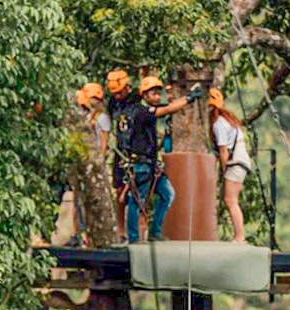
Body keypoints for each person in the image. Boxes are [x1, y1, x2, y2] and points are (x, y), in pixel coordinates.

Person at [123, 76, 203, 243]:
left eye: (159, 93)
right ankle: (133, 238)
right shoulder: (142, 113)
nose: (157, 97)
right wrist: (189, 99)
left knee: (168, 194)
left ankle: (154, 232)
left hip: (151, 165)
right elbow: (167, 110)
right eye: (153, 94)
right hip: (142, 165)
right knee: (136, 201)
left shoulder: (148, 110)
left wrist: (187, 96)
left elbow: (168, 106)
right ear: (144, 95)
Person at [209, 88, 252, 243]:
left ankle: (239, 236)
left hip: (236, 163)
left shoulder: (218, 124)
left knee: (230, 200)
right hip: (241, 161)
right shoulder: (228, 119)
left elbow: (223, 151)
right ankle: (239, 235)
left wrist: (223, 168)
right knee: (231, 200)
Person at [106, 69, 140, 240]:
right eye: (115, 93)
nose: (117, 95)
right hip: (121, 151)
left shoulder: (137, 99)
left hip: (137, 151)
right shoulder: (113, 103)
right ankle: (120, 230)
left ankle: (138, 229)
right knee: (119, 190)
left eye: (120, 92)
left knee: (137, 191)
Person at [77, 82, 111, 155]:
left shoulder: (102, 117)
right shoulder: (88, 115)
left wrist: (102, 158)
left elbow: (104, 140)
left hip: (97, 153)